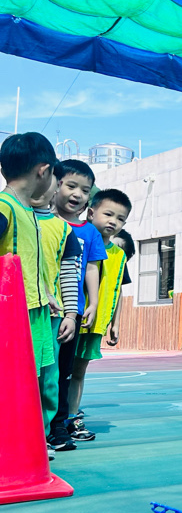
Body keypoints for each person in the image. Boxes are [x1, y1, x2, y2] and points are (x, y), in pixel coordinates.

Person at [0, 132, 60, 449]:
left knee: (35, 380)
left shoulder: (28, 211)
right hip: (13, 314)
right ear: (43, 170)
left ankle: (30, 443)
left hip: (35, 309)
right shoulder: (5, 207)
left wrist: (45, 292)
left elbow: (28, 261)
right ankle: (14, 445)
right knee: (14, 381)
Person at [67, 189, 132, 436]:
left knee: (79, 371)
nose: (113, 221)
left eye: (120, 218)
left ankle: (72, 416)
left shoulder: (119, 255)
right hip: (71, 318)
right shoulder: (77, 238)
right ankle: (52, 419)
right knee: (60, 371)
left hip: (96, 324)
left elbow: (118, 289)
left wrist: (115, 323)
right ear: (91, 212)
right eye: (108, 214)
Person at [50, 159, 106, 443]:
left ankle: (59, 424)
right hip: (44, 307)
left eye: (85, 190)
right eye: (72, 186)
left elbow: (93, 268)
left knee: (64, 371)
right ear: (54, 183)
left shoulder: (89, 231)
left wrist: (92, 303)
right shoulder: (43, 221)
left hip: (72, 310)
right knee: (42, 371)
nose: (78, 194)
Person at [31, 173, 82, 454]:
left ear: (55, 189)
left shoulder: (63, 230)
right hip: (18, 311)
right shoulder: (15, 216)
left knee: (49, 379)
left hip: (52, 316)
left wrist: (71, 315)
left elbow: (68, 275)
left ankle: (44, 434)